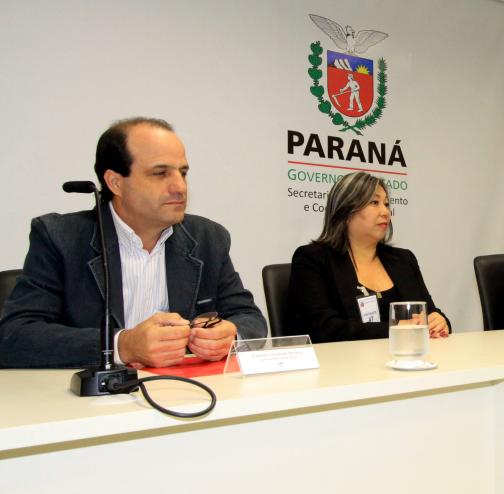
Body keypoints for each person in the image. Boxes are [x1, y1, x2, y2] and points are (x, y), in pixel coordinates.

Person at [0, 117, 266, 369]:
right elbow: (14, 336)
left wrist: (231, 336)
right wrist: (122, 345)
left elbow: (249, 318)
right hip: (88, 406)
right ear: (115, 182)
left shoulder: (208, 237)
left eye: (182, 173)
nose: (180, 187)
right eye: (160, 173)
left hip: (184, 394)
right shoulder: (60, 237)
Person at [287, 171, 450, 343]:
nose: (385, 211)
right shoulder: (313, 259)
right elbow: (324, 329)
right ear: (346, 210)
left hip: (406, 360)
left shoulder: (404, 260)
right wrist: (397, 328)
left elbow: (429, 313)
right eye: (374, 202)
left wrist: (439, 321)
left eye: (386, 204)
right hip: (343, 365)